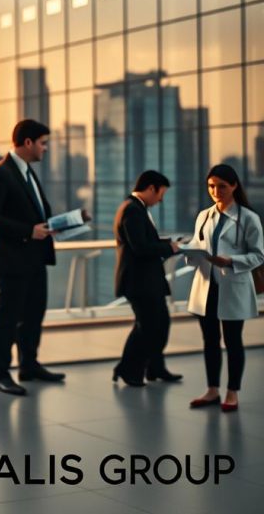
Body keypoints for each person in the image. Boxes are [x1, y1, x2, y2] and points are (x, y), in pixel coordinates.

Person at [0, 119, 63, 396]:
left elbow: (34, 212)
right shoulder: (0, 173)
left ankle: (29, 365)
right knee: (7, 317)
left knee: (33, 315)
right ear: (28, 143)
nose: (46, 148)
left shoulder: (26, 171)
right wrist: (29, 231)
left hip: (34, 257)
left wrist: (67, 222)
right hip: (11, 259)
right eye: (43, 143)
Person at [185, 164, 264, 413]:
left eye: (221, 186)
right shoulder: (204, 215)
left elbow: (259, 255)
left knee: (232, 341)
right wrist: (189, 251)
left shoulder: (248, 218)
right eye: (211, 186)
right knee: (209, 340)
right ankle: (212, 390)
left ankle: (232, 392)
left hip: (232, 285)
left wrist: (231, 261)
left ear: (234, 186)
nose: (215, 191)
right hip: (207, 286)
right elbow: (198, 243)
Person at [111, 170, 182, 387]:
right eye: (161, 193)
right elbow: (140, 247)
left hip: (147, 280)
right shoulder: (132, 210)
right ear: (151, 188)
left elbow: (143, 239)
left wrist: (168, 242)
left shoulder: (136, 208)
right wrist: (168, 247)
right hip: (139, 281)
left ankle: (155, 368)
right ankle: (127, 369)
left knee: (159, 324)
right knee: (147, 326)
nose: (161, 199)